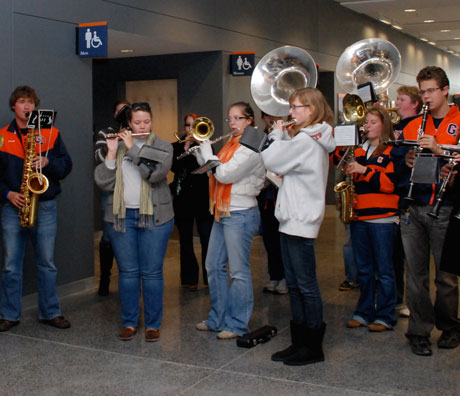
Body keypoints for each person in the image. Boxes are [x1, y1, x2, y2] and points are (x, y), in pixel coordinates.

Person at [261, 87, 336, 366]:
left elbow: (271, 159)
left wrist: (277, 134)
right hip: (292, 216)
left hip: (300, 219)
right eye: (291, 106)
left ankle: (313, 347)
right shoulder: (307, 137)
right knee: (293, 284)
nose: (290, 112)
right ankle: (299, 341)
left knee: (305, 285)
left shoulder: (308, 139)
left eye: (296, 107)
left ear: (312, 110)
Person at [94, 102, 174, 342]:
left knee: (151, 273)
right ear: (129, 123)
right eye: (137, 122)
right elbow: (103, 182)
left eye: (146, 121)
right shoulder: (118, 147)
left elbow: (155, 174)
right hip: (122, 218)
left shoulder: (163, 146)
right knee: (128, 272)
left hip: (154, 217)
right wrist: (110, 152)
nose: (142, 126)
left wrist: (132, 149)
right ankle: (129, 322)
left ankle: (152, 324)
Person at [0, 85, 72, 331]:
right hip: (13, 205)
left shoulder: (50, 133)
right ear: (13, 106)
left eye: (31, 102)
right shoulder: (2, 135)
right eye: (22, 102)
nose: (27, 106)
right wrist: (8, 194)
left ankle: (51, 312)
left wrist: (47, 161)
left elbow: (66, 166)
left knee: (47, 262)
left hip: (45, 205)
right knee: (10, 264)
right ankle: (9, 314)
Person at [399, 66, 460, 356]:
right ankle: (419, 330)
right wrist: (408, 159)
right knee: (415, 274)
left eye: (431, 90)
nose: (425, 96)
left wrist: (439, 150)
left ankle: (449, 326)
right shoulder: (413, 125)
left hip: (445, 205)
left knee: (446, 274)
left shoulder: (459, 120)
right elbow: (399, 164)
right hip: (414, 206)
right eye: (422, 91)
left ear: (445, 90)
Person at [194, 102, 265, 339]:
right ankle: (218, 318)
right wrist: (199, 154)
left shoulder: (251, 145)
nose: (232, 123)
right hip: (222, 212)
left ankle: (237, 324)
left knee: (238, 271)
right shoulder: (231, 144)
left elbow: (224, 174)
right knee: (213, 266)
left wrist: (207, 154)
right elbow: (214, 171)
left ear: (249, 121)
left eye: (237, 118)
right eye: (230, 119)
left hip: (241, 213)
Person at [339, 106, 399, 332]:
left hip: (383, 218)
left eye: (373, 122)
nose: (367, 126)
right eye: (366, 123)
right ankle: (363, 311)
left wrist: (365, 171)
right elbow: (338, 161)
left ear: (384, 125)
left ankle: (385, 315)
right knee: (363, 269)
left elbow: (391, 184)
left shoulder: (393, 151)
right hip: (360, 216)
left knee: (384, 270)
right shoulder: (359, 150)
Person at [171, 113, 213, 291]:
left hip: (203, 197)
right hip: (183, 199)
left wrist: (200, 149)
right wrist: (185, 147)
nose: (191, 129)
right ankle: (190, 279)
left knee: (207, 239)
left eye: (194, 126)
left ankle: (209, 278)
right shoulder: (176, 146)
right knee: (185, 241)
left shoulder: (206, 145)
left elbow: (212, 167)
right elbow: (173, 167)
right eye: (188, 126)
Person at [94, 99, 130, 296]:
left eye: (125, 111)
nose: (122, 115)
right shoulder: (105, 132)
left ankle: (129, 280)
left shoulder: (134, 132)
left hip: (131, 191)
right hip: (110, 190)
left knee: (129, 236)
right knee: (108, 236)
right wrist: (114, 146)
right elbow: (99, 157)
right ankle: (105, 278)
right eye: (119, 111)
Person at [392, 86, 422, 317]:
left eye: (402, 99)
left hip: (409, 193)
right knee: (395, 255)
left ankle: (412, 303)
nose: (397, 103)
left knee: (413, 257)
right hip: (392, 195)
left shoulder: (418, 126)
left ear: (414, 103)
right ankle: (396, 298)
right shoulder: (394, 127)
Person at [258, 111, 287, 294]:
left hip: (281, 194)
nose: (271, 119)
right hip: (265, 196)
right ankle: (274, 276)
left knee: (282, 239)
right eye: (267, 116)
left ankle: (285, 277)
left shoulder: (286, 135)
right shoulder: (261, 135)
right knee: (269, 239)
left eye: (274, 116)